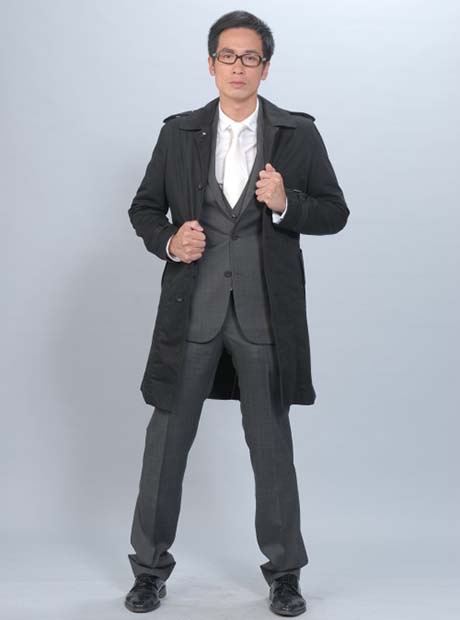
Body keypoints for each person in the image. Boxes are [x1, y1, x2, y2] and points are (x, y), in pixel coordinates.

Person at [124, 10, 349, 616]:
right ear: (211, 64)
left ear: (265, 68)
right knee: (165, 444)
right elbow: (144, 208)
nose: (239, 67)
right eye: (228, 56)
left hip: (263, 315)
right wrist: (170, 241)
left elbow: (335, 212)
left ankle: (285, 574)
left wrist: (286, 202)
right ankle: (148, 571)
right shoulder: (180, 133)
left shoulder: (297, 134)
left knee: (271, 447)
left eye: (251, 57)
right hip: (191, 314)